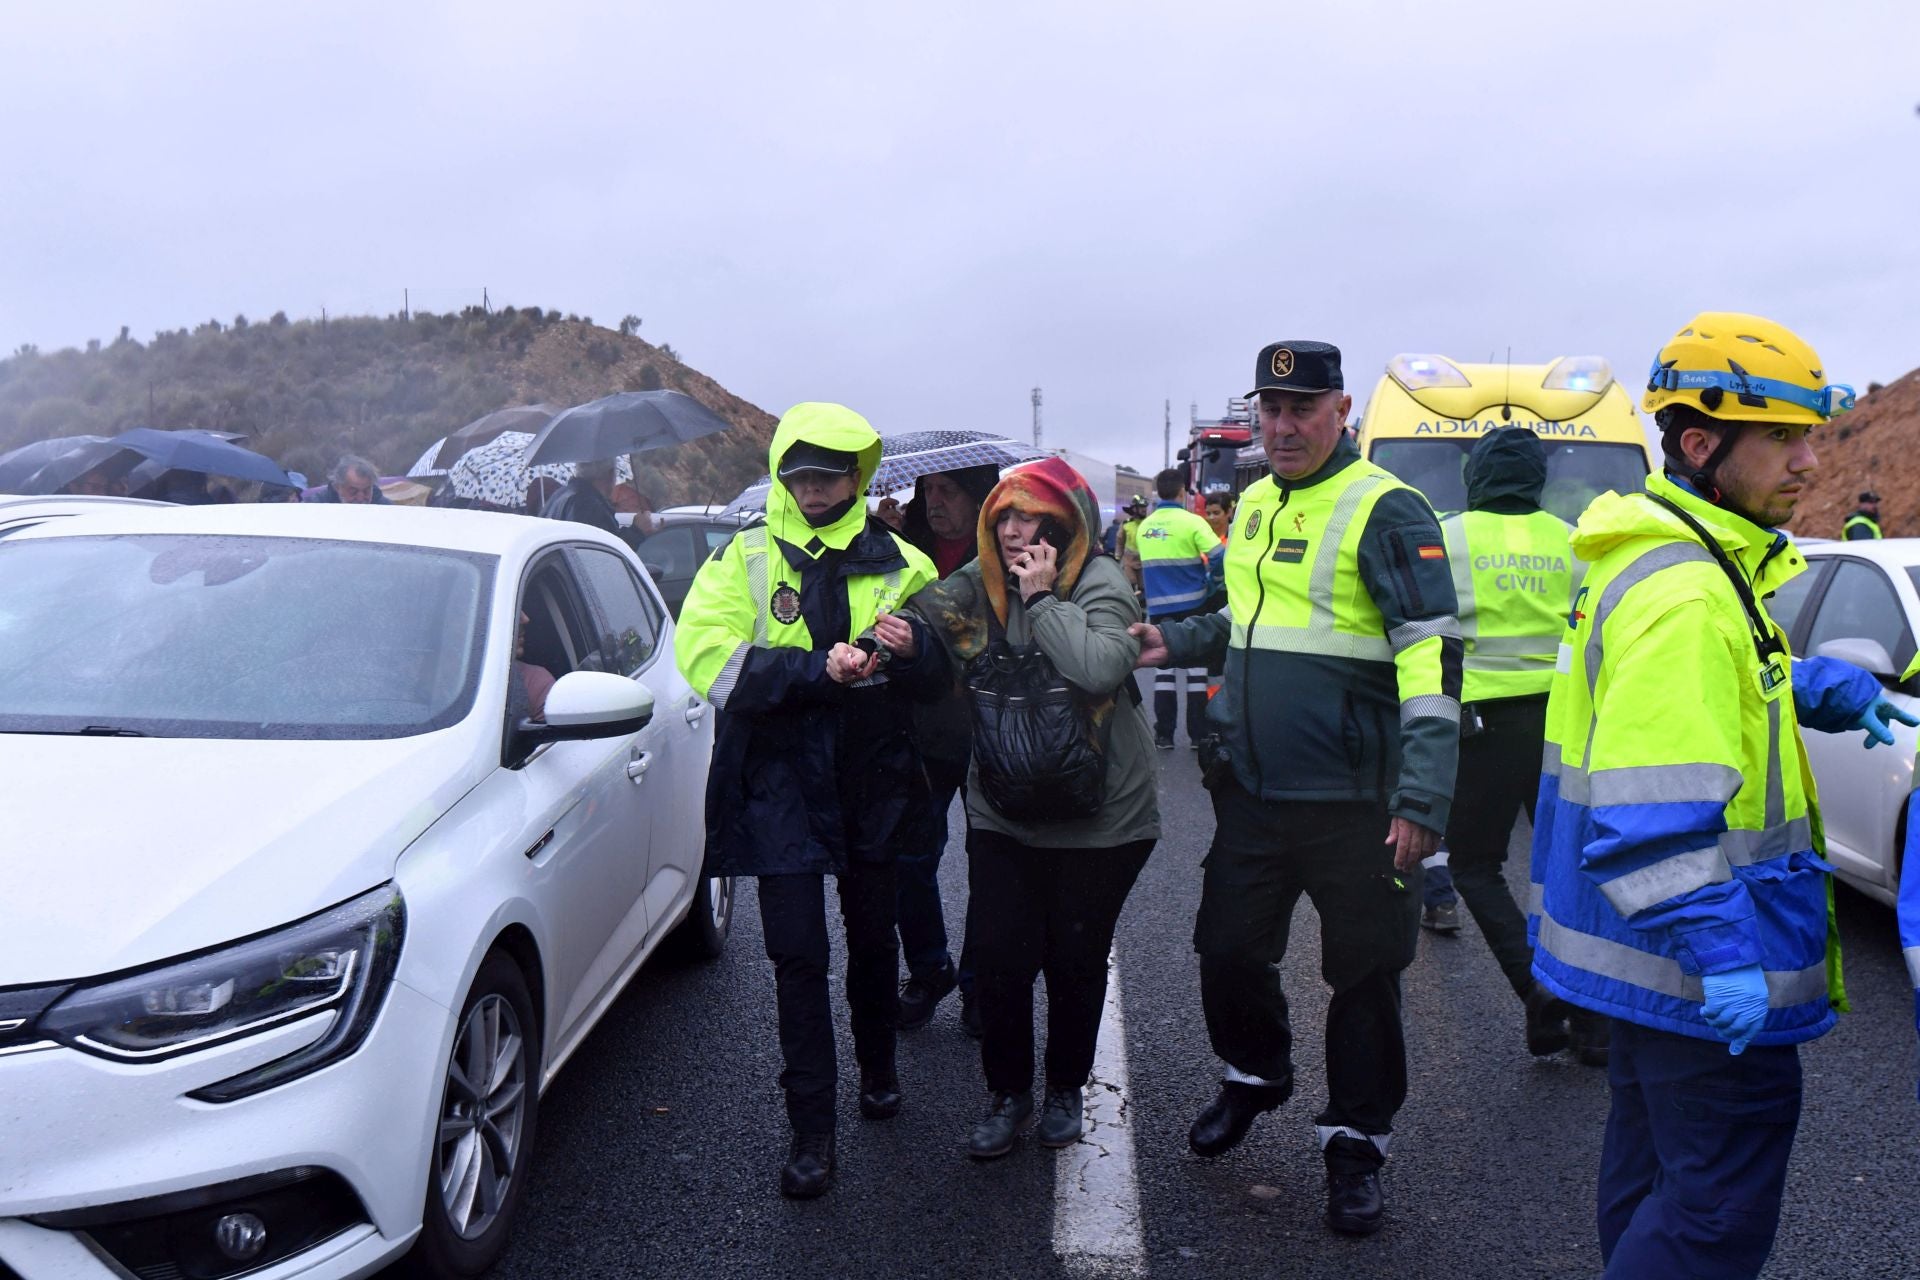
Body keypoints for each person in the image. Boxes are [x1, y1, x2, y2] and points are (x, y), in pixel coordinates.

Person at [1529, 312, 1913, 1278]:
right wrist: (1726, 957)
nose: (1809, 464)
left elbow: (1718, 688)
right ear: (1701, 444)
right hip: (1695, 967)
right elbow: (1649, 809)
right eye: (1782, 439)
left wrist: (1830, 688)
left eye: (1809, 437)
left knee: (1654, 1172)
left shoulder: (1670, 560)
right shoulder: (1690, 594)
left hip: (1641, 959)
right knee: (1711, 1217)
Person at [1132, 339, 1461, 1237]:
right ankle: (1257, 1072)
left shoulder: (1388, 510)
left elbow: (1431, 655)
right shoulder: (1254, 508)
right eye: (1271, 411)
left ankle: (1355, 1145)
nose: (1282, 428)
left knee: (1363, 978)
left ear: (1340, 411)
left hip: (1358, 802)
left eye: (1301, 411)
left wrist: (1423, 797)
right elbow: (1251, 621)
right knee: (1227, 950)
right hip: (1253, 790)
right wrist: (1178, 641)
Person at [674, 403, 936, 1200]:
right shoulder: (744, 557)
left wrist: (916, 650)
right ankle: (811, 1134)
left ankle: (880, 1070)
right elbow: (707, 659)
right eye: (802, 478)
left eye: (831, 477)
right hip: (782, 780)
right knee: (797, 958)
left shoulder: (904, 562)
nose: (816, 491)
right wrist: (815, 671)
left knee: (871, 939)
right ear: (784, 477)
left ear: (858, 479)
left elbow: (943, 676)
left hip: (870, 774)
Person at [880, 457, 1157, 1157]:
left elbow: (1098, 666)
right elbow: (930, 618)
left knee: (1074, 958)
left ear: (1062, 523)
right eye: (1002, 515)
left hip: (1101, 814)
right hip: (1006, 804)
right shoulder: (982, 577)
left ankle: (1065, 1088)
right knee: (1002, 959)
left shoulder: (1100, 581)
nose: (1010, 530)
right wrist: (894, 645)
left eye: (1026, 516)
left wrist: (1041, 603)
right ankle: (1007, 1094)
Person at [1433, 427, 1586, 1058]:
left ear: (1478, 476)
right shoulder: (1573, 539)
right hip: (1561, 718)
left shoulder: (1449, 535)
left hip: (1483, 722)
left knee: (1472, 863)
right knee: (1567, 866)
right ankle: (1597, 1021)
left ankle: (1536, 989)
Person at [888, 464, 1001, 1035]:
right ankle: (929, 969)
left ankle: (982, 985)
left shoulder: (1004, 550)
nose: (934, 502)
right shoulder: (904, 550)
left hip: (991, 736)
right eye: (928, 490)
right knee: (912, 859)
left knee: (991, 866)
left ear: (979, 497)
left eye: (947, 491)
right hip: (924, 731)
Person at [1135, 467, 1225, 750]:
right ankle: (1198, 734)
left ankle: (1164, 734)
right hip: (1194, 605)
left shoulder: (1144, 528)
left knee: (1164, 673)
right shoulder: (1193, 523)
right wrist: (1213, 582)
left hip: (1159, 610)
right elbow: (1220, 558)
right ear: (1182, 491)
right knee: (1197, 672)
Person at [542, 458, 621, 534]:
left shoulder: (559, 494)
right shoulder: (588, 506)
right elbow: (610, 544)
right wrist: (633, 530)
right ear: (610, 473)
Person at [308, 455, 389, 504]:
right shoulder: (315, 506)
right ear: (337, 487)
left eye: (366, 491)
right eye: (353, 492)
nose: (360, 498)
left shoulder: (385, 508)